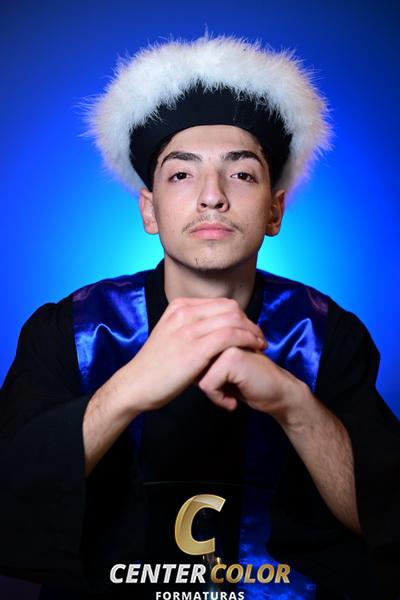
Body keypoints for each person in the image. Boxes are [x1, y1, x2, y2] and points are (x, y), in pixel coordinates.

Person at [0, 35, 399, 600]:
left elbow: (386, 520)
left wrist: (294, 404)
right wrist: (128, 389)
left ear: (275, 210)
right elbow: (9, 498)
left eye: (242, 174)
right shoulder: (70, 330)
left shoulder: (328, 335)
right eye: (182, 175)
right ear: (149, 210)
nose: (212, 196)